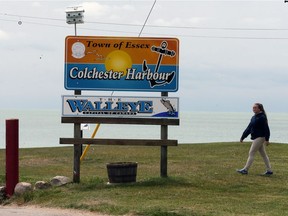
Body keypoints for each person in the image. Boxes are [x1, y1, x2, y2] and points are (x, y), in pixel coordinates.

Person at [237, 103, 273, 175]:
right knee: (263, 154)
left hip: (260, 137)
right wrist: (243, 137)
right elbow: (249, 128)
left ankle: (245, 169)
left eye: (255, 108)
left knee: (251, 152)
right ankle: (269, 170)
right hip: (256, 137)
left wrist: (267, 139)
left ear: (260, 109)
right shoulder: (254, 117)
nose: (253, 109)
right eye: (253, 108)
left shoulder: (262, 117)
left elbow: (266, 129)